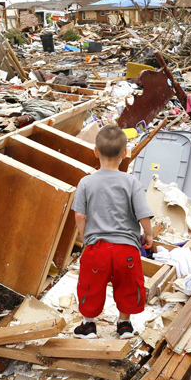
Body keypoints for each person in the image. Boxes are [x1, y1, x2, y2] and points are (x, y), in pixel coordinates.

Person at [72, 124, 153, 339]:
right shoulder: (131, 182)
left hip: (96, 248)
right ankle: (124, 324)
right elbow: (142, 212)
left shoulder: (86, 182)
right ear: (125, 154)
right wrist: (149, 234)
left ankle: (88, 326)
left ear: (95, 152)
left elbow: (79, 215)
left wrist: (85, 237)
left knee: (90, 286)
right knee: (128, 285)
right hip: (126, 249)